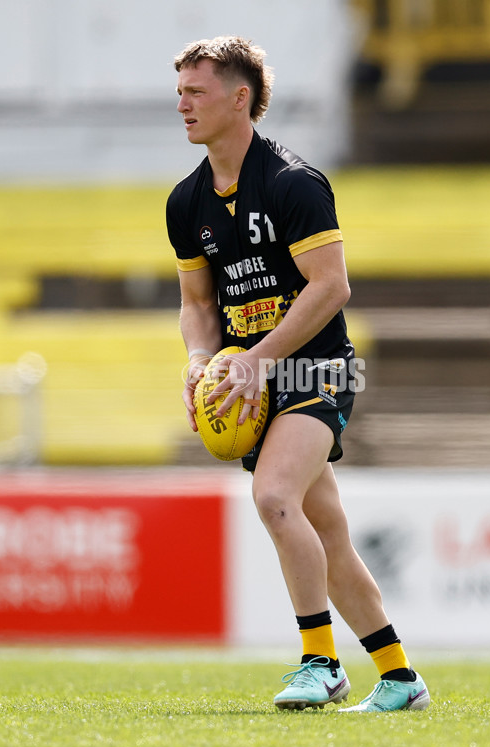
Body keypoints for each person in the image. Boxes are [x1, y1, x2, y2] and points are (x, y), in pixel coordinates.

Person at [166, 35, 429, 713]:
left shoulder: (292, 182)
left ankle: (321, 662)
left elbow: (331, 286)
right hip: (252, 380)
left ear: (239, 97)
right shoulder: (185, 203)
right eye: (181, 91)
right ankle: (401, 677)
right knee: (328, 532)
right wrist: (202, 361)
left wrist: (257, 358)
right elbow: (197, 304)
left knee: (275, 497)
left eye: (196, 91)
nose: (183, 104)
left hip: (315, 366)